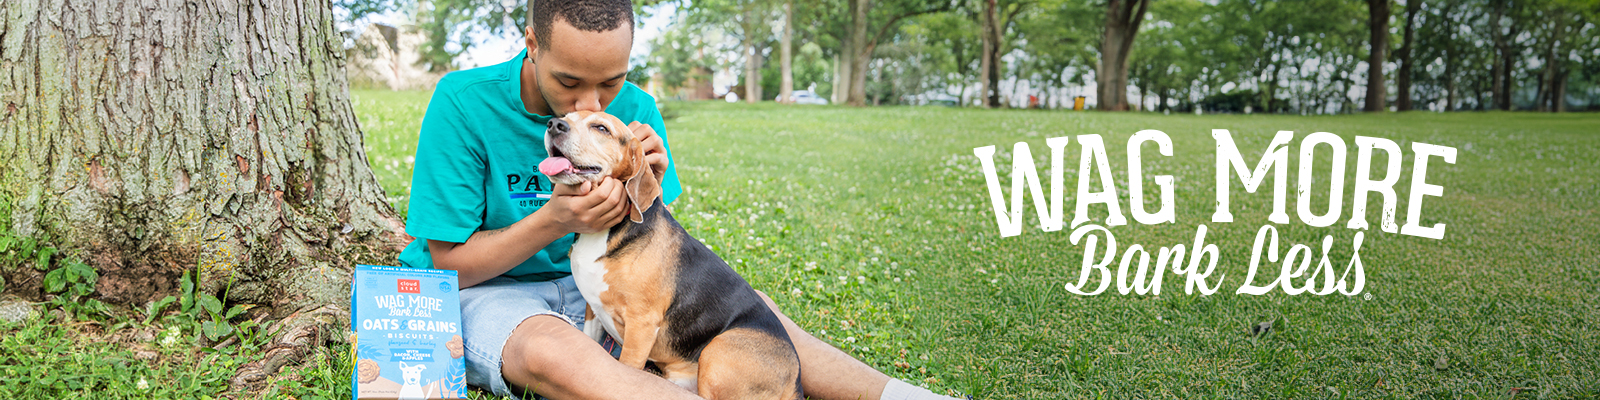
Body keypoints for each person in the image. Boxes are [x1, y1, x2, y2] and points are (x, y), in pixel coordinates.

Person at [397, 0, 960, 399]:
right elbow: (450, 263)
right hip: (495, 290)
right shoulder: (464, 103)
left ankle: (903, 396)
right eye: (569, 82)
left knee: (751, 314)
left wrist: (651, 190)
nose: (591, 101)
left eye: (611, 83)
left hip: (601, 284)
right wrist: (553, 219)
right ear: (532, 43)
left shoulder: (636, 110)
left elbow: (658, 258)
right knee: (554, 352)